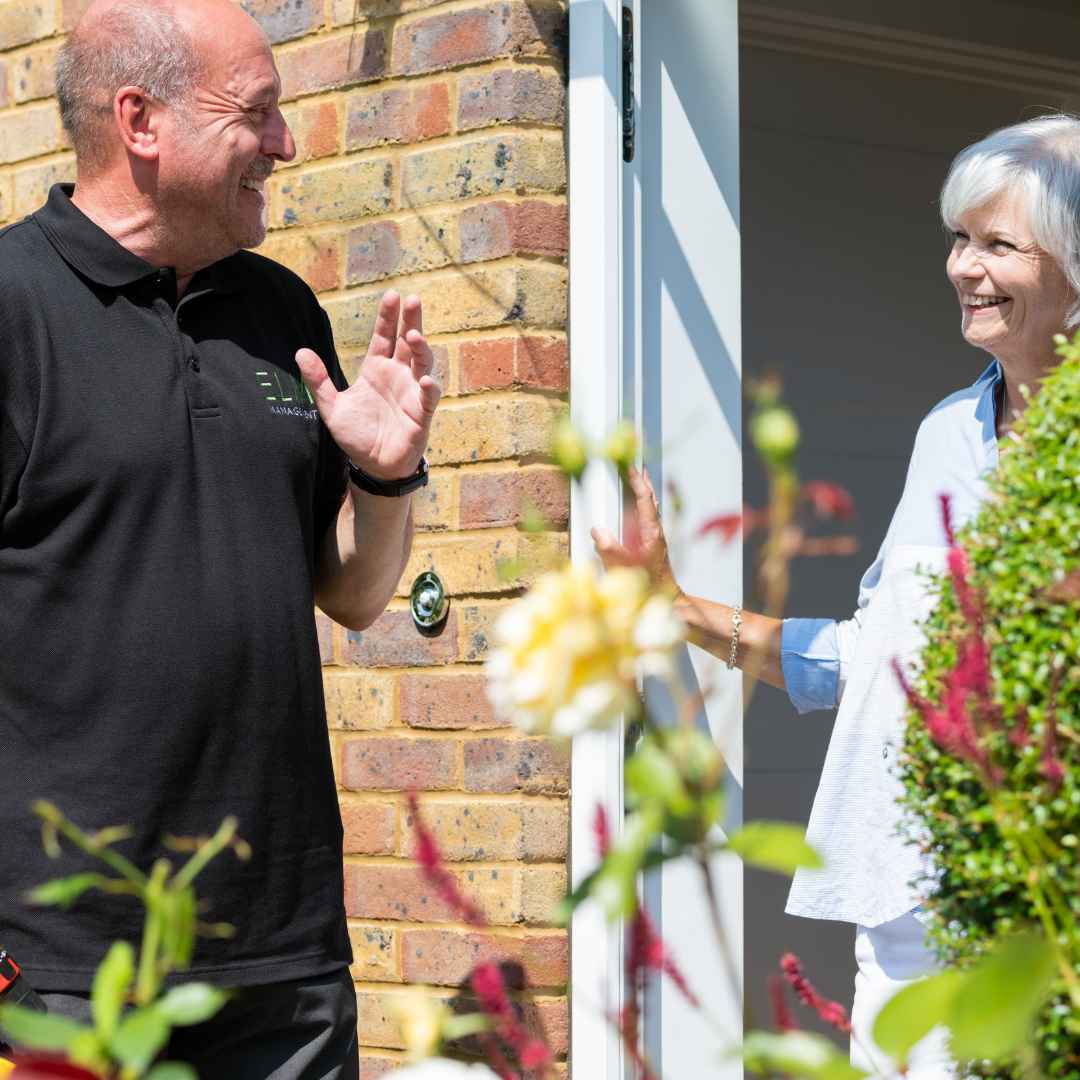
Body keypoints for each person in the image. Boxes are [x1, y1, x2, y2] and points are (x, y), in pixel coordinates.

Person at [0, 0, 442, 1075]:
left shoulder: (284, 311)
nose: (285, 145)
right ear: (140, 120)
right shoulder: (11, 306)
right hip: (69, 963)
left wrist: (387, 479)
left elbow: (351, 593)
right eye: (259, 114)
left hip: (280, 954)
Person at [592, 113, 1080, 1076]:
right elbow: (873, 659)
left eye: (997, 245)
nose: (960, 267)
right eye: (958, 238)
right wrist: (678, 607)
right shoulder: (949, 432)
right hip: (911, 907)